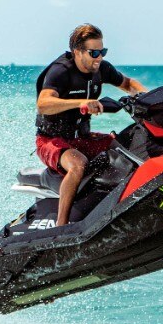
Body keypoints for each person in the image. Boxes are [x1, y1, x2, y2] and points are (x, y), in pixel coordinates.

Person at [35, 23, 146, 226]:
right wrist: (81, 103)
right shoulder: (60, 71)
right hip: (52, 141)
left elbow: (128, 83)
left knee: (125, 147)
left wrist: (146, 97)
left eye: (102, 51)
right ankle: (61, 226)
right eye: (94, 52)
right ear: (77, 51)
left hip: (83, 138)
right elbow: (43, 104)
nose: (99, 57)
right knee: (78, 164)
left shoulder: (101, 68)